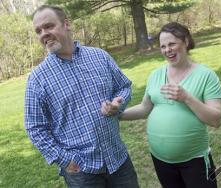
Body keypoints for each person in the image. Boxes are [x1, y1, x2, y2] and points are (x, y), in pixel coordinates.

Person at [24, 5, 139, 188]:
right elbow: (35, 128)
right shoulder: (38, 79)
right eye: (38, 31)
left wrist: (119, 103)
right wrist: (65, 160)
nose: (43, 34)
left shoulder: (99, 56)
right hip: (82, 173)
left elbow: (123, 87)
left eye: (49, 26)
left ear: (67, 24)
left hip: (118, 160)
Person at [120, 22, 221, 188]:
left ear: (186, 42)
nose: (167, 50)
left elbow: (216, 120)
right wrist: (118, 114)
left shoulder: (206, 75)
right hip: (161, 161)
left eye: (172, 44)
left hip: (195, 161)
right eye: (163, 46)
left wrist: (186, 97)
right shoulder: (155, 75)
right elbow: (144, 108)